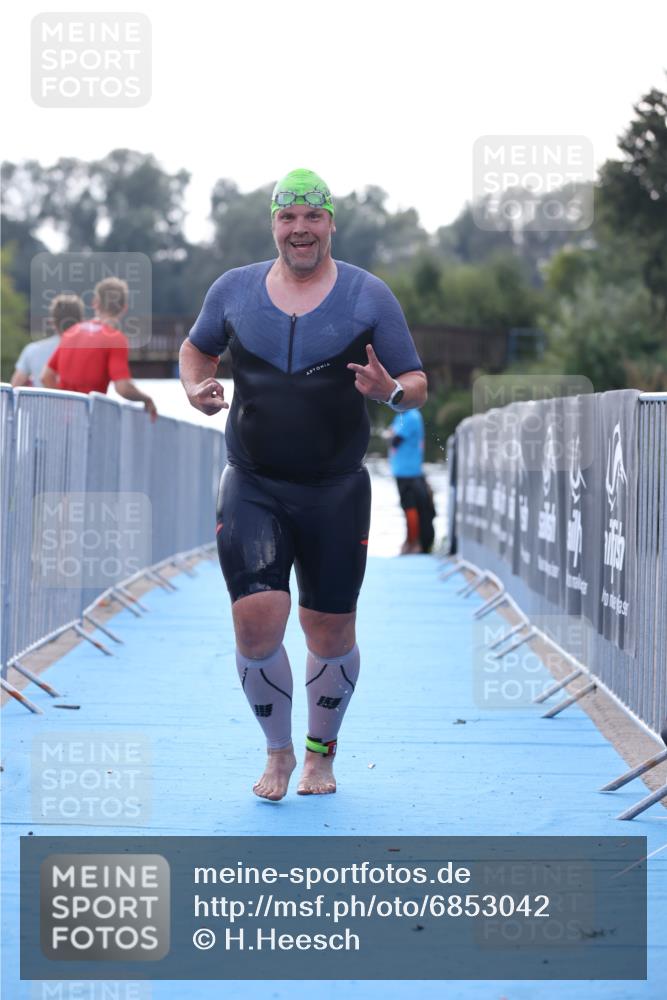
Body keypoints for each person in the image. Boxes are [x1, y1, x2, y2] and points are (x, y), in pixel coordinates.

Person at [179, 168, 427, 801]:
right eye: (288, 218)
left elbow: (415, 385)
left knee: (329, 631)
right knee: (257, 623)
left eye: (312, 218)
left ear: (330, 224)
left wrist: (390, 391)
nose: (300, 230)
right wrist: (194, 386)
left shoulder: (369, 297)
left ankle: (321, 755)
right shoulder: (234, 291)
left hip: (335, 489)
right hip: (254, 483)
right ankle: (279, 753)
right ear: (274, 225)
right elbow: (195, 348)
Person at [41, 276, 157, 420]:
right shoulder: (115, 339)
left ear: (95, 303)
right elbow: (123, 388)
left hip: (59, 421)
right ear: (124, 308)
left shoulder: (71, 331)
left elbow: (46, 376)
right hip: (88, 419)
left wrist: (62, 406)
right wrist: (147, 399)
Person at [386, 407, 436, 554]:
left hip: (409, 472)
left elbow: (394, 440)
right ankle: (411, 541)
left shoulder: (411, 416)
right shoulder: (401, 415)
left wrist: (389, 435)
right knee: (409, 507)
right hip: (403, 471)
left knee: (411, 508)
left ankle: (414, 543)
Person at [11, 294, 84, 388]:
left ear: (52, 322)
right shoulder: (92, 351)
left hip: (40, 403)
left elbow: (14, 387)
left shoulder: (31, 350)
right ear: (81, 321)